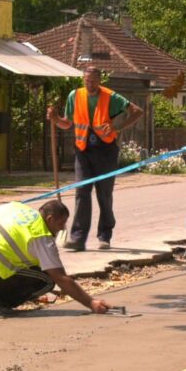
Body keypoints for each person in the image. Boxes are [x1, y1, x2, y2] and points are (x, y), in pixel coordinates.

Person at [47, 66, 144, 251]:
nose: (89, 84)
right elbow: (67, 124)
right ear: (83, 79)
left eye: (93, 81)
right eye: (86, 80)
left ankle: (104, 236)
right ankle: (78, 238)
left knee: (104, 195)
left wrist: (117, 127)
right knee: (82, 191)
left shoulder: (111, 97)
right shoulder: (75, 96)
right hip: (83, 150)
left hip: (106, 150)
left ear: (100, 80)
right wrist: (55, 118)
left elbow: (137, 111)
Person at [0, 199, 111, 316]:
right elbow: (61, 279)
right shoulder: (42, 238)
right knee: (47, 280)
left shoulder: (18, 208)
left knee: (34, 268)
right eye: (61, 223)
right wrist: (91, 303)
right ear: (50, 219)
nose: (63, 228)